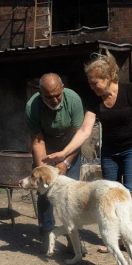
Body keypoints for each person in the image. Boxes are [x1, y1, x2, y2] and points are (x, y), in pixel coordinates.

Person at [45, 52, 132, 262]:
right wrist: (64, 152)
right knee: (110, 197)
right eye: (89, 83)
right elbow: (85, 131)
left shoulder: (131, 91)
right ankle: (118, 240)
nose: (91, 86)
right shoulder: (94, 100)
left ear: (108, 78)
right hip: (110, 152)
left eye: (94, 82)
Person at [25, 73, 85, 252]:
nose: (54, 100)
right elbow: (37, 140)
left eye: (57, 95)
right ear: (40, 93)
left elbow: (77, 137)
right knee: (44, 192)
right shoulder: (32, 106)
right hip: (47, 147)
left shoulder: (74, 100)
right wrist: (44, 170)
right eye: (48, 97)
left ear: (63, 88)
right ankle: (46, 234)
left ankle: (73, 239)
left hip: (70, 146)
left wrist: (65, 163)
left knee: (72, 196)